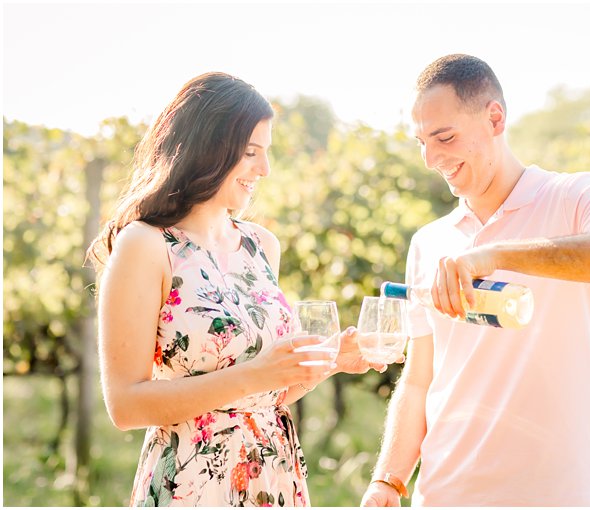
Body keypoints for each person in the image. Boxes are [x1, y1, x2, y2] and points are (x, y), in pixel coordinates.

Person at [359, 54, 590, 507]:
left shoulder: (574, 196)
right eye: (422, 141)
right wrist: (388, 480)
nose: (431, 158)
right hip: (444, 496)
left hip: (560, 496)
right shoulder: (429, 242)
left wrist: (495, 256)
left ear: (494, 118)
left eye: (445, 137)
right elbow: (420, 379)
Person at [90, 72, 383, 506]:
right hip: (194, 483)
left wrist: (331, 361)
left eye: (266, 153)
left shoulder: (261, 245)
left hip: (273, 473)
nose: (264, 169)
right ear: (207, 148)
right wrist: (257, 374)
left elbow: (266, 394)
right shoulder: (147, 245)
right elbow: (125, 405)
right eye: (250, 153)